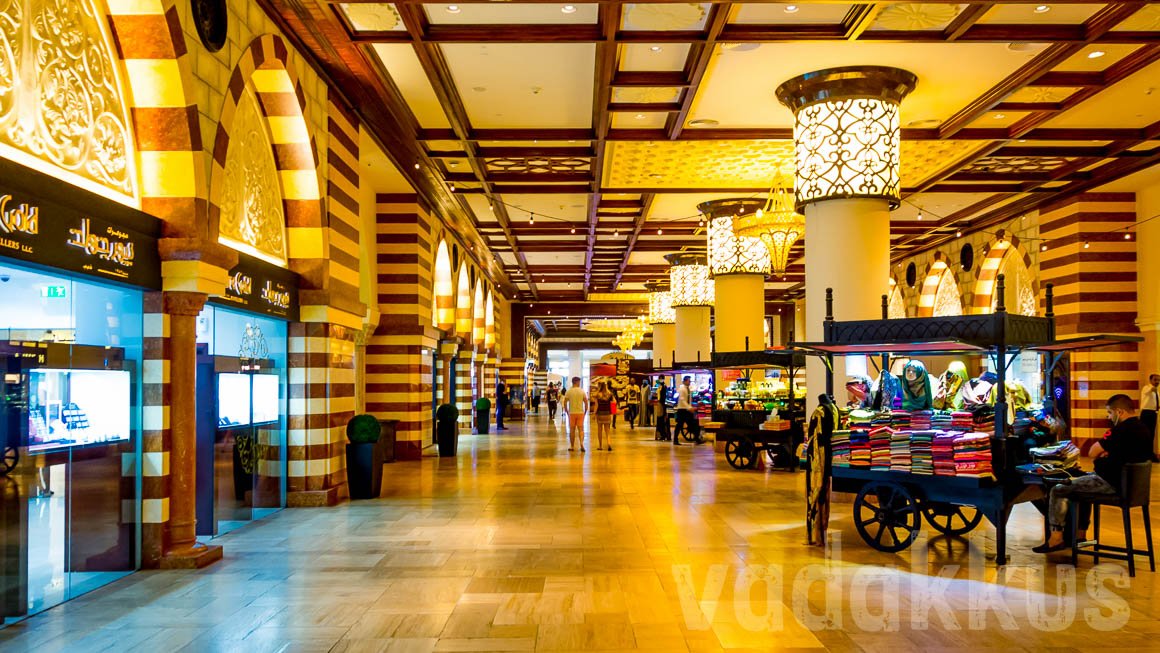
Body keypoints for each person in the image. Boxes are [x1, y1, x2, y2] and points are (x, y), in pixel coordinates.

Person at [1033, 394, 1153, 553]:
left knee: (1058, 489)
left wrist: (1104, 454)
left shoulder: (1120, 430)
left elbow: (1092, 452)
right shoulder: (1144, 429)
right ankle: (1080, 535)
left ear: (1120, 412)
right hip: (1132, 487)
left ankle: (1056, 538)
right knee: (1083, 485)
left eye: (1110, 413)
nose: (1109, 417)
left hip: (1110, 483)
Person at [674, 375, 704, 445]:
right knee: (679, 425)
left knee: (693, 423)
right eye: (689, 381)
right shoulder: (682, 389)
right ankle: (675, 439)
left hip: (687, 410)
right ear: (685, 381)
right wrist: (689, 408)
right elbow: (682, 400)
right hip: (682, 410)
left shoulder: (688, 389)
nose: (690, 382)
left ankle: (696, 438)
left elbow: (688, 400)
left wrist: (690, 407)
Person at [563, 376, 587, 452]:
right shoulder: (582, 391)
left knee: (572, 430)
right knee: (581, 429)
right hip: (580, 413)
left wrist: (566, 411)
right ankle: (581, 444)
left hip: (572, 413)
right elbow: (586, 402)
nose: (580, 383)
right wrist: (585, 411)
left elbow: (565, 402)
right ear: (576, 382)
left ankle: (572, 446)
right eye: (579, 382)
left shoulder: (569, 391)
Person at [592, 381, 614, 451]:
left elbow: (596, 405)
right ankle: (609, 443)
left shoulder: (597, 395)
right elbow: (614, 402)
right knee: (607, 431)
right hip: (607, 414)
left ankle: (600, 446)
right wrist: (612, 411)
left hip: (600, 414)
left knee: (600, 430)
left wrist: (594, 414)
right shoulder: (610, 394)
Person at [1141, 373, 1159, 459]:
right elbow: (1150, 390)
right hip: (1146, 413)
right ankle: (1144, 454)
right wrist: (1153, 388)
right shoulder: (1146, 388)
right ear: (1150, 380)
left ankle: (1149, 454)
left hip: (1153, 413)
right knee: (1145, 434)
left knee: (1151, 434)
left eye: (1159, 380)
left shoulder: (1157, 392)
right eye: (1155, 380)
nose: (1157, 382)